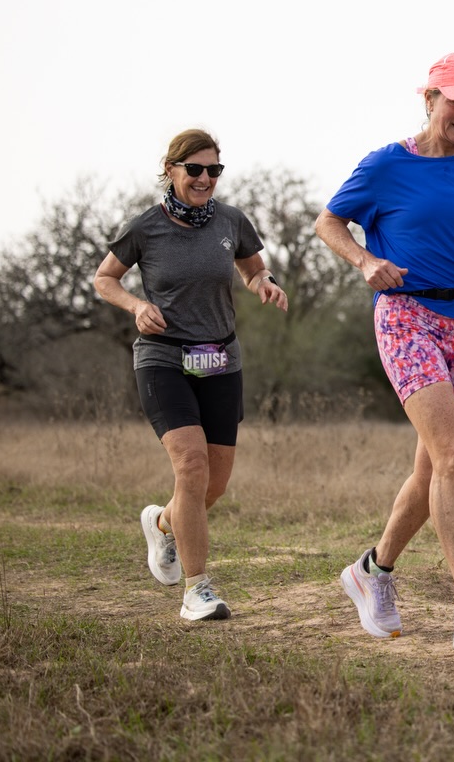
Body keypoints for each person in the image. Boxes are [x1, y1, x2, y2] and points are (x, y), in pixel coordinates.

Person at [315, 52, 454, 651]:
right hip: (406, 314)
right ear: (429, 98)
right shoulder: (386, 164)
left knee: (433, 467)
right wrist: (364, 260)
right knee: (453, 453)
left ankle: (372, 571)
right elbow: (328, 223)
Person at [94, 129, 288, 621]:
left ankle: (163, 523)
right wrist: (137, 306)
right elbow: (104, 278)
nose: (205, 178)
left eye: (213, 170)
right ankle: (197, 590)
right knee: (192, 467)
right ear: (172, 169)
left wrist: (264, 283)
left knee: (211, 487)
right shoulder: (145, 227)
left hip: (220, 360)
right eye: (195, 169)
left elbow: (252, 269)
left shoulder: (231, 221)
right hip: (164, 359)